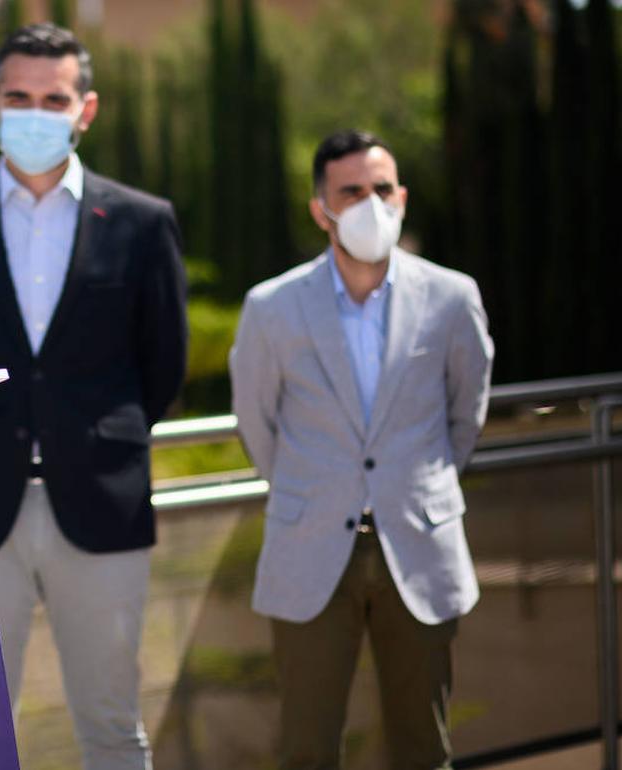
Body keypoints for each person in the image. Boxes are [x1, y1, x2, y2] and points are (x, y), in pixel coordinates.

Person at [0, 23, 188, 770]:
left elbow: (165, 365)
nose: (36, 111)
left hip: (102, 507)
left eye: (55, 98)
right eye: (20, 96)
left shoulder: (142, 222)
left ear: (86, 109)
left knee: (113, 729)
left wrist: (87, 438)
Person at [229, 129, 493, 770]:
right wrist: (313, 487)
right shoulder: (271, 307)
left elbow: (467, 412)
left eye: (381, 189)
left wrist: (414, 485)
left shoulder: (453, 297)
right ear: (321, 208)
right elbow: (256, 422)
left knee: (423, 747)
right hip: (311, 548)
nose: (369, 203)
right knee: (307, 748)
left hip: (418, 547)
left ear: (401, 197)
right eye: (350, 192)